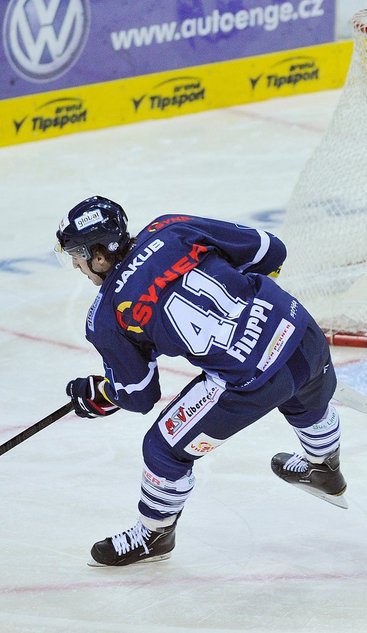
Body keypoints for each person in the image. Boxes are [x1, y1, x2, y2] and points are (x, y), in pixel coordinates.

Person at [56, 196, 348, 567]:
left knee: (163, 449)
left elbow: (140, 396)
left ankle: (154, 533)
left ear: (99, 256)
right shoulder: (170, 228)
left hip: (251, 383)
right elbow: (271, 251)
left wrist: (99, 394)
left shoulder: (108, 317)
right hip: (303, 333)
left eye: (76, 255)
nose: (75, 264)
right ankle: (324, 467)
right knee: (305, 394)